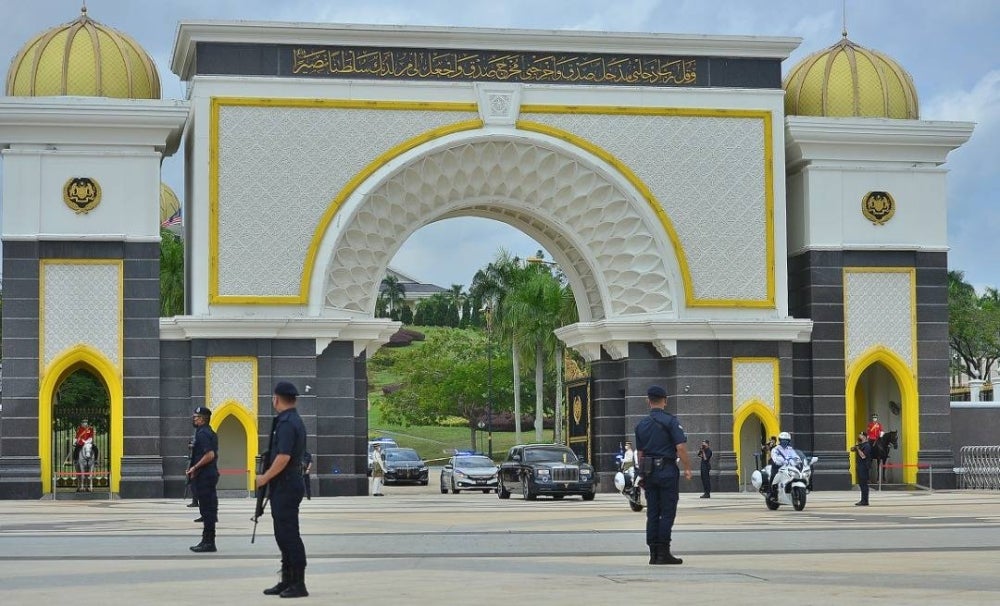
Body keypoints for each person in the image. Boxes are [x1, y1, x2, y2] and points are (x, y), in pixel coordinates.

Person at [255, 381, 309, 598]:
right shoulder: (290, 420)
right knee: (282, 534)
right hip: (285, 483)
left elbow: (284, 456)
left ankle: (298, 583)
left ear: (276, 399)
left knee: (289, 534)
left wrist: (264, 477)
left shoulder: (287, 423)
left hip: (287, 483)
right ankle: (287, 580)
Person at [634, 385, 692, 566]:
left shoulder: (641, 424)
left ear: (647, 400)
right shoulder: (671, 421)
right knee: (667, 512)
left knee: (652, 512)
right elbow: (680, 447)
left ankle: (653, 553)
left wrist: (642, 473)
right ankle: (663, 552)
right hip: (666, 471)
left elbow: (640, 453)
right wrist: (687, 467)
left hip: (649, 471)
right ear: (665, 401)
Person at [187, 407, 219, 553]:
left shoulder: (202, 434)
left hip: (205, 476)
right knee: (208, 509)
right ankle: (207, 540)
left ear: (202, 419)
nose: (194, 419)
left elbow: (210, 455)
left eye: (196, 417)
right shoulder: (210, 432)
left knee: (207, 510)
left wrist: (194, 467)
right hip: (208, 474)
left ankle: (208, 542)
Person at [768, 432, 800, 497]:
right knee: (773, 476)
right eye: (783, 440)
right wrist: (780, 461)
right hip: (778, 467)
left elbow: (795, 456)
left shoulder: (790, 449)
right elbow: (774, 458)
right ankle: (771, 492)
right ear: (780, 440)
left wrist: (798, 460)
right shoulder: (775, 449)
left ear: (788, 441)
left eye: (786, 440)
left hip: (789, 467)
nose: (784, 442)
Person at [850, 432, 871, 506]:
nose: (859, 436)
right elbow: (852, 449)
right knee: (861, 484)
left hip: (864, 467)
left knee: (864, 484)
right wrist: (856, 447)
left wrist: (858, 449)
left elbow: (863, 456)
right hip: (860, 466)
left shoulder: (867, 446)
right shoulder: (860, 445)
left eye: (861, 435)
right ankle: (863, 500)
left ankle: (865, 500)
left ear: (864, 437)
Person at [186, 433, 199, 509]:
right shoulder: (192, 453)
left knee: (195, 486)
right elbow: (190, 461)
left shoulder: (197, 452)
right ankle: (195, 501)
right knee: (193, 486)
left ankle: (195, 501)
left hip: (196, 470)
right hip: (192, 469)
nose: (190, 446)